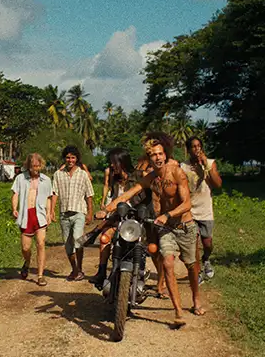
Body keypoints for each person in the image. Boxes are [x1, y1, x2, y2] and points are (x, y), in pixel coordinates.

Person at [104, 132, 204, 321]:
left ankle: (196, 299)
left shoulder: (176, 172)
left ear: (165, 155)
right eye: (153, 155)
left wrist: (167, 215)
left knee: (192, 267)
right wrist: (108, 208)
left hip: (184, 226)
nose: (157, 158)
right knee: (167, 263)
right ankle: (178, 312)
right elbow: (131, 192)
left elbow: (186, 204)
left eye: (160, 154)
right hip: (166, 228)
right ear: (149, 158)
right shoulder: (151, 177)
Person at [89, 148, 136, 286]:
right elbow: (115, 199)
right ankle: (102, 271)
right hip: (118, 218)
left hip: (135, 219)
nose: (111, 166)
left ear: (122, 162)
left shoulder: (137, 177)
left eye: (114, 163)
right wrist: (107, 212)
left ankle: (160, 282)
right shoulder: (115, 180)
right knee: (104, 238)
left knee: (152, 246)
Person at [181, 137, 222, 284]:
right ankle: (197, 272)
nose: (196, 149)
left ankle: (206, 259)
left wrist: (205, 168)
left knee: (207, 243)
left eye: (198, 146)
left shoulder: (210, 163)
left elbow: (217, 184)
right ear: (189, 149)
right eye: (193, 146)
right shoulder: (183, 167)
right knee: (194, 242)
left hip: (205, 210)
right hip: (189, 210)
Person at [51, 145, 95, 281]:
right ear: (65, 158)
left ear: (77, 159)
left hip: (79, 212)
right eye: (68, 157)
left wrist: (90, 213)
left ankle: (79, 269)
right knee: (68, 244)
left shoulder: (82, 174)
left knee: (77, 239)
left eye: (73, 157)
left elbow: (89, 195)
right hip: (64, 213)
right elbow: (54, 193)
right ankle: (75, 269)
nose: (70, 160)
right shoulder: (58, 175)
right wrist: (51, 210)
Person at [11, 153, 54, 286]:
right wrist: (14, 208)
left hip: (40, 215)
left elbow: (48, 197)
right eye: (33, 166)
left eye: (37, 166)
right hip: (26, 215)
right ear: (28, 166)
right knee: (25, 247)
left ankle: (40, 276)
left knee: (41, 244)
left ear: (41, 165)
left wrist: (49, 213)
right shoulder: (20, 178)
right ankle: (27, 262)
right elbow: (15, 194)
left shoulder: (46, 180)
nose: (35, 169)